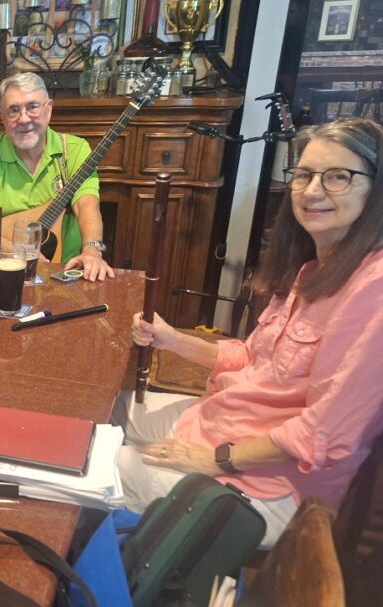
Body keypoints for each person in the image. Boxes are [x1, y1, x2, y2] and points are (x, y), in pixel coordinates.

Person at [117, 117, 383, 547]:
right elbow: (251, 359)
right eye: (304, 175)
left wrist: (215, 459)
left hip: (264, 485)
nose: (313, 191)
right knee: (100, 412)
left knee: (92, 466)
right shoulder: (313, 270)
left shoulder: (374, 288)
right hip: (222, 422)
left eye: (338, 177)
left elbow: (326, 434)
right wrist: (171, 339)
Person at [0, 72, 115, 282]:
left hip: (61, 272)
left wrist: (92, 251)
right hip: (1, 273)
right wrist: (15, 251)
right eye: (13, 110)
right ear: (2, 117)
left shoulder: (74, 150)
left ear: (49, 109)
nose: (24, 119)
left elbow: (87, 205)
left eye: (33, 107)